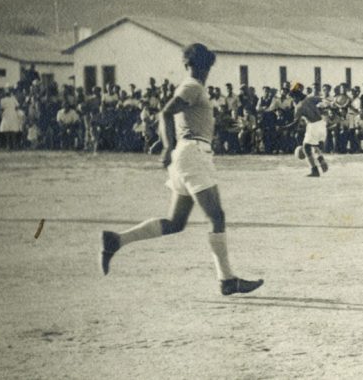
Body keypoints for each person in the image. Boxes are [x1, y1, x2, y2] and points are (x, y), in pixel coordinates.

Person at [99, 43, 263, 296]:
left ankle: (117, 240)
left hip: (188, 155)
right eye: (199, 66)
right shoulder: (192, 86)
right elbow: (165, 113)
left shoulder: (193, 88)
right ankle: (227, 279)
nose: (204, 72)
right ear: (188, 66)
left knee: (176, 222)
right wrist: (167, 146)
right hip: (193, 155)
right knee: (216, 217)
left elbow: (182, 118)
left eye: (207, 67)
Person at [290, 82, 330, 177]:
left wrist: (283, 128)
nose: (293, 100)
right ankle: (321, 159)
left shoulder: (299, 107)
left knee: (306, 147)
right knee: (314, 144)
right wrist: (324, 106)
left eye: (293, 98)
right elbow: (323, 100)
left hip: (313, 125)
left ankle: (314, 170)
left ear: (296, 97)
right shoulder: (310, 98)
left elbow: (295, 123)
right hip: (321, 123)